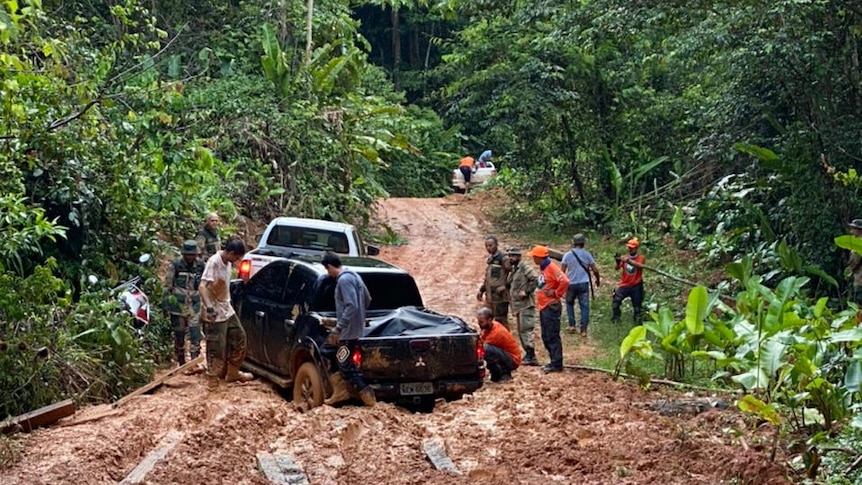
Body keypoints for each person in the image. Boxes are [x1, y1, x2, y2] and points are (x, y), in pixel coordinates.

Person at [322, 252, 376, 407]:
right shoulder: (355, 276)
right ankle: (343, 390)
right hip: (355, 329)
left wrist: (339, 328)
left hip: (347, 333)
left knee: (343, 362)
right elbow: (367, 299)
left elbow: (351, 305)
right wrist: (360, 317)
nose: (329, 274)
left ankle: (364, 393)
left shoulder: (344, 280)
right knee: (332, 353)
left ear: (330, 266)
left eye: (327, 270)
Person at [199, 238, 252, 388]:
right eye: (236, 257)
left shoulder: (227, 263)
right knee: (217, 346)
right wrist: (209, 306)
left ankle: (233, 372)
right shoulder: (214, 262)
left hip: (226, 308)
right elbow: (202, 287)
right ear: (230, 253)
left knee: (240, 337)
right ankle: (213, 379)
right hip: (214, 310)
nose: (236, 261)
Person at [162, 240, 205, 367]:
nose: (190, 257)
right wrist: (165, 304)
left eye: (192, 255)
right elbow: (167, 285)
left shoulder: (201, 266)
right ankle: (181, 361)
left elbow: (206, 284)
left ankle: (194, 360)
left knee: (195, 332)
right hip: (178, 305)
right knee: (179, 333)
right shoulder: (175, 265)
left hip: (195, 304)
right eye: (188, 255)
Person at [528, 245, 569, 373]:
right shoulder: (544, 267)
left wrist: (557, 293)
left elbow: (565, 281)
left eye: (534, 257)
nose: (533, 259)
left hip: (551, 306)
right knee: (546, 335)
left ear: (540, 257)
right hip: (544, 306)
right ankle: (553, 361)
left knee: (552, 335)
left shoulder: (551, 267)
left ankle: (557, 363)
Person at [561, 233, 601, 337]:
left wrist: (561, 284)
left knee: (569, 304)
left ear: (573, 243)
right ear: (583, 243)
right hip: (583, 283)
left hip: (571, 283)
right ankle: (583, 330)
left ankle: (572, 325)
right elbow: (595, 269)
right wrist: (597, 279)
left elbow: (562, 272)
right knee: (584, 306)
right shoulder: (587, 254)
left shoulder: (567, 255)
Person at [507, 246, 539, 366]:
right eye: (510, 255)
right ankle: (528, 354)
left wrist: (526, 291)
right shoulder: (514, 269)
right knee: (521, 331)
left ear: (519, 257)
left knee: (526, 330)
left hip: (526, 305)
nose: (511, 258)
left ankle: (531, 355)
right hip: (518, 306)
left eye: (513, 255)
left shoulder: (524, 267)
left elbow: (535, 279)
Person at [476, 308, 521, 382]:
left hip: (513, 360)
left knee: (486, 350)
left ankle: (503, 374)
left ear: (489, 320)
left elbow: (480, 348)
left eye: (481, 322)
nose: (479, 324)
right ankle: (497, 374)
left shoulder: (496, 333)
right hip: (507, 355)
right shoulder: (492, 325)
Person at [477, 235, 511, 329]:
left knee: (501, 321)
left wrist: (505, 286)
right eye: (486, 246)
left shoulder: (503, 258)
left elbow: (513, 273)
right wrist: (481, 290)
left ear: (496, 245)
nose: (488, 248)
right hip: (490, 296)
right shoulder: (491, 259)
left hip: (500, 297)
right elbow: (488, 278)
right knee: (489, 321)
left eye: (491, 245)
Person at [612, 238, 646, 324]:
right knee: (616, 302)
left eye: (632, 248)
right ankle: (616, 319)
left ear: (636, 248)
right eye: (629, 247)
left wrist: (629, 261)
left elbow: (639, 266)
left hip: (636, 285)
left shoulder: (641, 258)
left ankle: (637, 324)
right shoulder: (624, 257)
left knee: (637, 308)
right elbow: (616, 268)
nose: (630, 249)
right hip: (625, 284)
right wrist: (617, 261)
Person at [847, 219, 862, 305]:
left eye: (853, 229)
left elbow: (854, 262)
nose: (851, 231)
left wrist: (848, 272)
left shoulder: (859, 244)